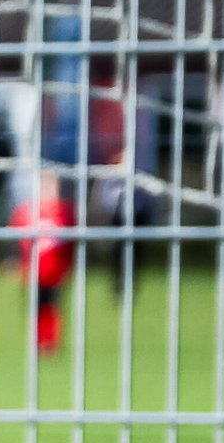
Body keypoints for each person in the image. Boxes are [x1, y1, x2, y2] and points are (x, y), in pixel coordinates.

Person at [9, 168, 77, 354]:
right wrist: (15, 262)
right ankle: (37, 340)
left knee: (53, 306)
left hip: (55, 269)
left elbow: (72, 241)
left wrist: (68, 264)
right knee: (35, 306)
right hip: (32, 269)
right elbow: (15, 238)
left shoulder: (64, 211)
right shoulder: (26, 210)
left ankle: (51, 343)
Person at [89, 146, 154, 296]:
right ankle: (117, 286)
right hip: (117, 218)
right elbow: (103, 198)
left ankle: (132, 285)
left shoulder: (139, 176)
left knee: (136, 255)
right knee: (117, 255)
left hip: (137, 219)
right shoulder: (109, 177)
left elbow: (147, 198)